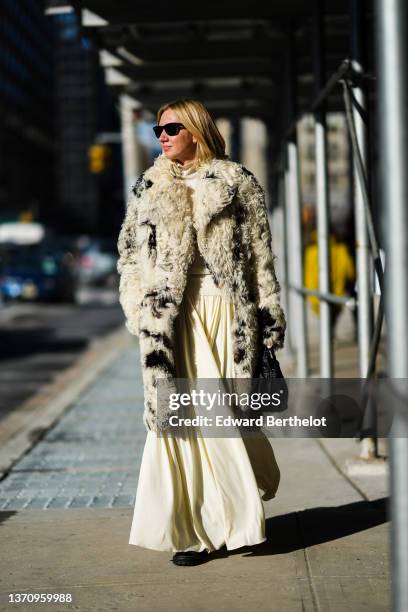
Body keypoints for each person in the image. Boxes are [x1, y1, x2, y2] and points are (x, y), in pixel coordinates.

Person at [117, 99, 286, 566]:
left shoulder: (236, 182)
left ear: (197, 129)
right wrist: (138, 308)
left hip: (222, 313)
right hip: (170, 324)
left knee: (221, 420)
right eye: (157, 129)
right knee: (175, 424)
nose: (162, 136)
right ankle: (189, 533)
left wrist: (268, 317)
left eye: (172, 127)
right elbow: (130, 256)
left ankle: (235, 520)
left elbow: (260, 259)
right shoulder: (148, 186)